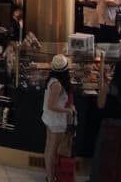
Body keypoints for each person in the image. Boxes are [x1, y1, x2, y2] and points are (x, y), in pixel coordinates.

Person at [42, 54, 76, 182]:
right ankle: (51, 178)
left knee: (49, 148)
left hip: (50, 119)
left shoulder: (52, 80)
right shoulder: (57, 85)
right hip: (55, 121)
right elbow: (51, 105)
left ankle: (49, 176)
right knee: (52, 150)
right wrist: (68, 110)